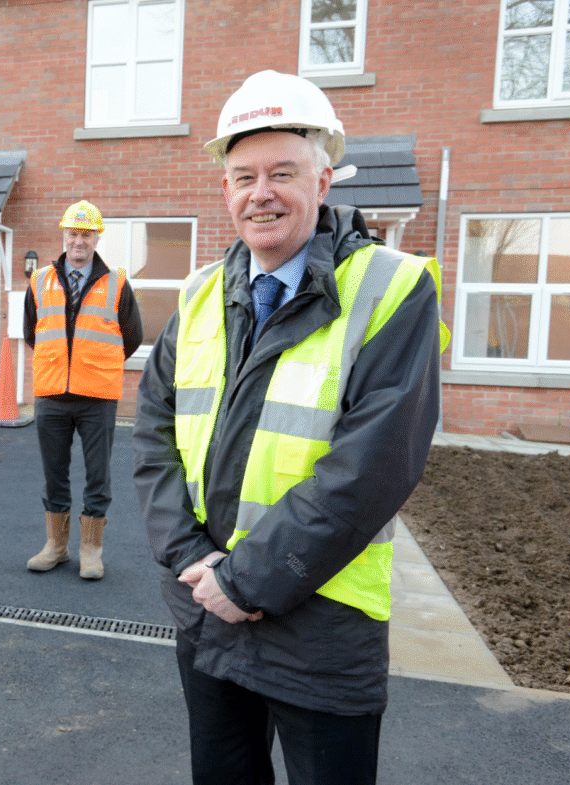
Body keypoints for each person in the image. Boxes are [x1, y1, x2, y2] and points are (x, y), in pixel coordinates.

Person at [132, 70, 448, 784]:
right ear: (225, 191)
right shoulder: (201, 291)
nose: (261, 192)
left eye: (283, 172)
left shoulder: (394, 287)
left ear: (324, 180)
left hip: (322, 619)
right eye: (243, 176)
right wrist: (191, 558)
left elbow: (374, 466)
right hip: (205, 602)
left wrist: (246, 579)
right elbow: (153, 433)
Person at [24, 200, 143, 580]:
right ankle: (55, 547)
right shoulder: (40, 280)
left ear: (96, 238)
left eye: (86, 235)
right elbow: (33, 332)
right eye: (73, 234)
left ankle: (91, 551)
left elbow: (133, 337)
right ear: (64, 236)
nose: (79, 241)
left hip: (97, 396)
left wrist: (93, 364)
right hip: (52, 393)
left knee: (98, 475)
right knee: (54, 473)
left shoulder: (117, 282)